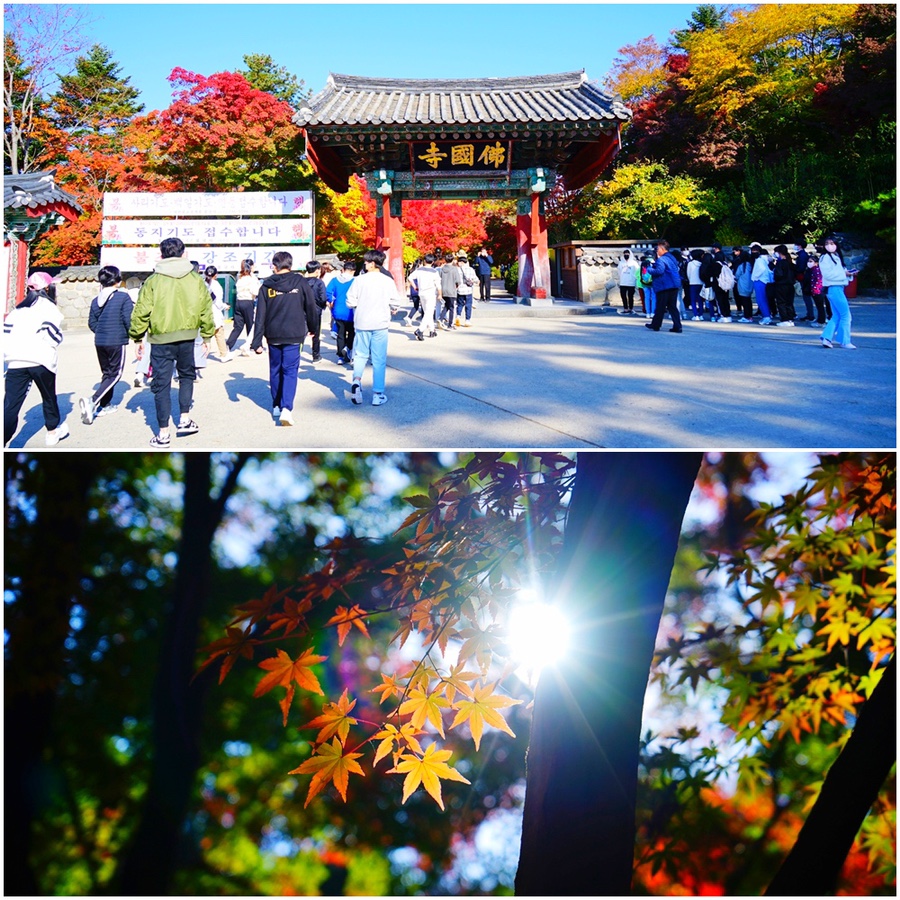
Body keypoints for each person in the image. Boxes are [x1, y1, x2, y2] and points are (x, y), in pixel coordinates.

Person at [129, 236, 216, 448]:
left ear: (161, 255)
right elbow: (206, 307)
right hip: (188, 336)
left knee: (162, 384)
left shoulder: (153, 281)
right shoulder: (195, 279)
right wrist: (207, 335)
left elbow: (141, 311)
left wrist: (137, 337)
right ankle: (184, 420)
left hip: (160, 339)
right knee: (187, 376)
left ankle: (163, 433)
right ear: (183, 253)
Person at [251, 250, 317, 424]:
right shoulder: (300, 282)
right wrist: (313, 328)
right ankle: (286, 408)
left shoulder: (266, 286)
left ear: (274, 266)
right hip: (294, 333)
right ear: (291, 265)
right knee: (290, 370)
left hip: (273, 334)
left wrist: (256, 342)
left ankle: (276, 405)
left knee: (275, 369)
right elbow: (311, 306)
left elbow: (260, 316)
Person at [4, 272, 69, 447]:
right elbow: (52, 336)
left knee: (10, 405)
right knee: (48, 397)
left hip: (16, 361)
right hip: (41, 360)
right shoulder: (49, 308)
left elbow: (5, 335)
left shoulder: (17, 310)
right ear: (48, 288)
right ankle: (52, 432)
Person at [78, 265, 134, 425]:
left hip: (100, 341)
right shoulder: (123, 297)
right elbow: (128, 320)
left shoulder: (96, 300)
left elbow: (92, 323)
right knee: (115, 374)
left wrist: (102, 331)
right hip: (116, 340)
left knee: (107, 373)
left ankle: (105, 405)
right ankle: (93, 401)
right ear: (117, 280)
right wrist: (135, 337)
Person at [346, 248, 401, 406]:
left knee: (361, 354)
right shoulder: (387, 281)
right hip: (380, 323)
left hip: (362, 322)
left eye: (366, 261)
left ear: (373, 263)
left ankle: (356, 381)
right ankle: (378, 393)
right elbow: (395, 301)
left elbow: (350, 301)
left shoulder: (359, 280)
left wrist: (359, 304)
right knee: (379, 359)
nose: (364, 263)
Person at [819, 237, 855, 349]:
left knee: (837, 315)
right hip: (834, 288)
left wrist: (848, 273)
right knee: (846, 315)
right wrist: (845, 275)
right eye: (827, 243)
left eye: (832, 243)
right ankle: (845, 341)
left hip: (838, 287)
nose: (829, 245)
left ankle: (827, 338)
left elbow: (838, 272)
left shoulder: (836, 257)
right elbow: (827, 275)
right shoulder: (825, 258)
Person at [644, 240, 683, 333]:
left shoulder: (661, 259)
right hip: (674, 285)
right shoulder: (672, 258)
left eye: (657, 249)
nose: (657, 251)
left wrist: (649, 269)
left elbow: (659, 271)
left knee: (660, 307)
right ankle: (677, 326)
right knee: (672, 307)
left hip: (664, 286)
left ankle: (656, 325)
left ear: (662, 248)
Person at [227, 258, 260, 357]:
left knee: (238, 326)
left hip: (239, 302)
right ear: (251, 267)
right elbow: (255, 292)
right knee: (251, 325)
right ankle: (251, 345)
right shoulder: (252, 278)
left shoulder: (239, 277)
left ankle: (228, 344)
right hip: (248, 302)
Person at [326, 260, 357, 364]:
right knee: (352, 333)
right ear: (353, 271)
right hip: (351, 312)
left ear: (343, 269)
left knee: (340, 334)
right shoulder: (355, 281)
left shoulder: (335, 280)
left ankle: (340, 356)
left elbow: (328, 292)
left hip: (338, 311)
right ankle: (348, 350)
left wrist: (331, 301)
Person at [408, 253, 442, 340]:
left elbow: (410, 278)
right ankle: (420, 330)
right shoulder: (434, 272)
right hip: (430, 293)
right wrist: (440, 294)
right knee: (429, 312)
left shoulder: (419, 270)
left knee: (427, 312)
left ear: (424, 261)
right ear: (433, 262)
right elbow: (438, 285)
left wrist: (415, 287)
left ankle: (432, 330)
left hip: (421, 293)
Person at [303, 260, 328, 362]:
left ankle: (297, 352)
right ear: (317, 270)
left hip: (303, 311)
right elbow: (323, 298)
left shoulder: (302, 282)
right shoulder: (320, 283)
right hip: (316, 311)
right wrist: (322, 306)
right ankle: (316, 355)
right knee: (316, 334)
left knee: (302, 333)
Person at [204, 266, 230, 360]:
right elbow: (217, 301)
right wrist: (224, 306)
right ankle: (224, 354)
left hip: (204, 313)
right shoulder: (216, 285)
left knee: (204, 336)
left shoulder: (202, 283)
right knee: (219, 334)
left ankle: (201, 355)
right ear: (216, 275)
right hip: (214, 312)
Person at [771, 244, 797, 326]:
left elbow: (779, 274)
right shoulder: (790, 263)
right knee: (789, 302)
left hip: (781, 284)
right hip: (790, 284)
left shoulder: (780, 263)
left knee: (781, 302)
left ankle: (784, 319)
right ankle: (790, 318)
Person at [750, 244, 774, 325]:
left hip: (759, 280)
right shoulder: (764, 259)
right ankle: (767, 315)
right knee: (763, 299)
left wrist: (755, 276)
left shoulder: (759, 260)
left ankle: (766, 317)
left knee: (761, 300)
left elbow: (761, 269)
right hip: (763, 280)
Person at [439, 253, 462, 329]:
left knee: (446, 306)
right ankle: (450, 324)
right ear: (452, 260)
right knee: (452, 307)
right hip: (451, 290)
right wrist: (456, 287)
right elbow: (458, 281)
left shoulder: (441, 269)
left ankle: (441, 318)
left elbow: (439, 279)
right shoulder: (454, 269)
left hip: (443, 289)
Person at [793, 242, 814, 321]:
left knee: (807, 296)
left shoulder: (802, 256)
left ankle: (810, 314)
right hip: (805, 277)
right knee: (807, 296)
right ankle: (809, 314)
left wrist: (795, 271)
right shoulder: (803, 255)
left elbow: (801, 268)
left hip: (804, 278)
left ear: (800, 245)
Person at [733, 249, 755, 323]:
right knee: (749, 301)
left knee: (745, 302)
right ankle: (750, 316)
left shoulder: (742, 266)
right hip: (750, 285)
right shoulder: (751, 265)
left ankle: (746, 316)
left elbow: (737, 275)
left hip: (743, 285)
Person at [456, 254, 477, 327]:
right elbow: (476, 280)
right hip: (468, 290)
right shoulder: (471, 269)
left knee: (460, 304)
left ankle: (458, 317)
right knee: (468, 305)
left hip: (460, 290)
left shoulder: (457, 270)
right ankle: (467, 320)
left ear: (461, 262)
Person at [616, 249, 639, 315]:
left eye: (627, 254)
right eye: (625, 254)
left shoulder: (634, 263)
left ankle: (631, 308)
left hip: (631, 282)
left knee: (630, 296)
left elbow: (637, 271)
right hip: (623, 281)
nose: (626, 255)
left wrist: (635, 278)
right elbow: (619, 271)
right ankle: (625, 308)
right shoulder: (621, 263)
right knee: (623, 295)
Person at [685, 249, 704, 320]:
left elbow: (688, 274)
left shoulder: (690, 264)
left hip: (693, 283)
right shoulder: (701, 263)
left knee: (693, 300)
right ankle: (701, 314)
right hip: (701, 283)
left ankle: (695, 315)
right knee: (700, 300)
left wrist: (690, 280)